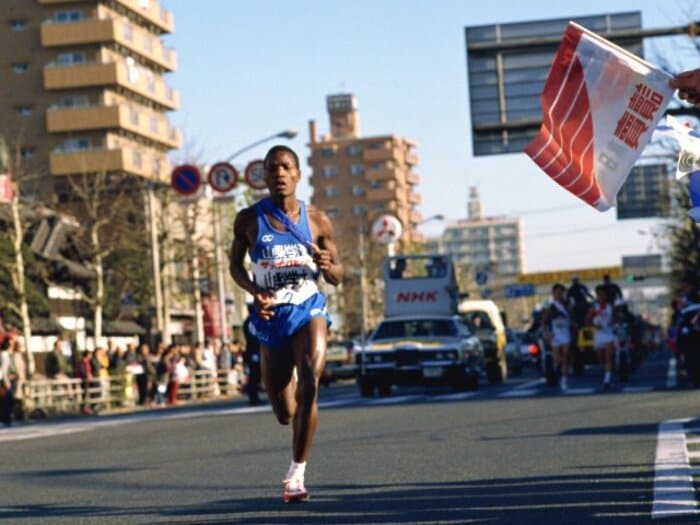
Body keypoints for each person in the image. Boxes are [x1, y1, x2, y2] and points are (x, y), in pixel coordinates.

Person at [229, 145, 343, 503]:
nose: (279, 173)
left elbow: (338, 275)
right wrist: (253, 291)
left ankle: (296, 473)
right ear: (264, 176)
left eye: (286, 167)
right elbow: (235, 266)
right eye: (272, 168)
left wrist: (328, 265)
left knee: (311, 379)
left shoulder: (319, 220)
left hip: (308, 307)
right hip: (271, 315)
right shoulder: (248, 219)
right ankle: (290, 383)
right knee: (285, 412)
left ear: (297, 174)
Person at [542, 283, 572, 391]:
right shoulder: (550, 306)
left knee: (565, 358)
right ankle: (556, 370)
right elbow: (544, 321)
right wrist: (546, 333)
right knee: (557, 360)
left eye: (561, 293)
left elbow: (572, 318)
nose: (559, 295)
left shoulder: (568, 304)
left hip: (566, 334)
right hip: (555, 335)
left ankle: (564, 380)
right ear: (553, 294)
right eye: (556, 293)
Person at [587, 285, 615, 390]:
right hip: (598, 336)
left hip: (608, 334)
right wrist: (594, 326)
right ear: (597, 296)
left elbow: (616, 318)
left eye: (603, 294)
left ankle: (607, 380)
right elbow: (587, 320)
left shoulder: (610, 307)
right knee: (601, 359)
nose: (601, 296)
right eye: (599, 294)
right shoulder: (594, 308)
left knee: (608, 358)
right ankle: (605, 372)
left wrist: (613, 321)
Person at [243, 309, 262, 406]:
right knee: (254, 376)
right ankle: (253, 397)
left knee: (255, 376)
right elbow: (254, 337)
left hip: (254, 350)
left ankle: (254, 396)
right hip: (254, 351)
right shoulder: (252, 321)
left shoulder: (249, 320)